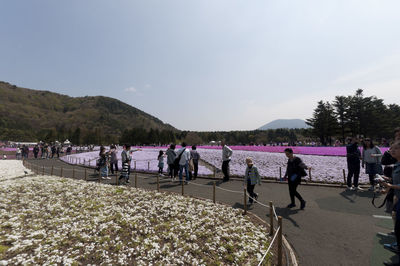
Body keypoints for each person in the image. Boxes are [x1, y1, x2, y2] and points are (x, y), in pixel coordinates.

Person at [381, 141, 400, 264]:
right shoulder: (397, 164)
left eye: (396, 148)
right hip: (399, 198)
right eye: (391, 148)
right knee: (398, 227)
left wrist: (390, 185)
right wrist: (388, 184)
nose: (392, 150)